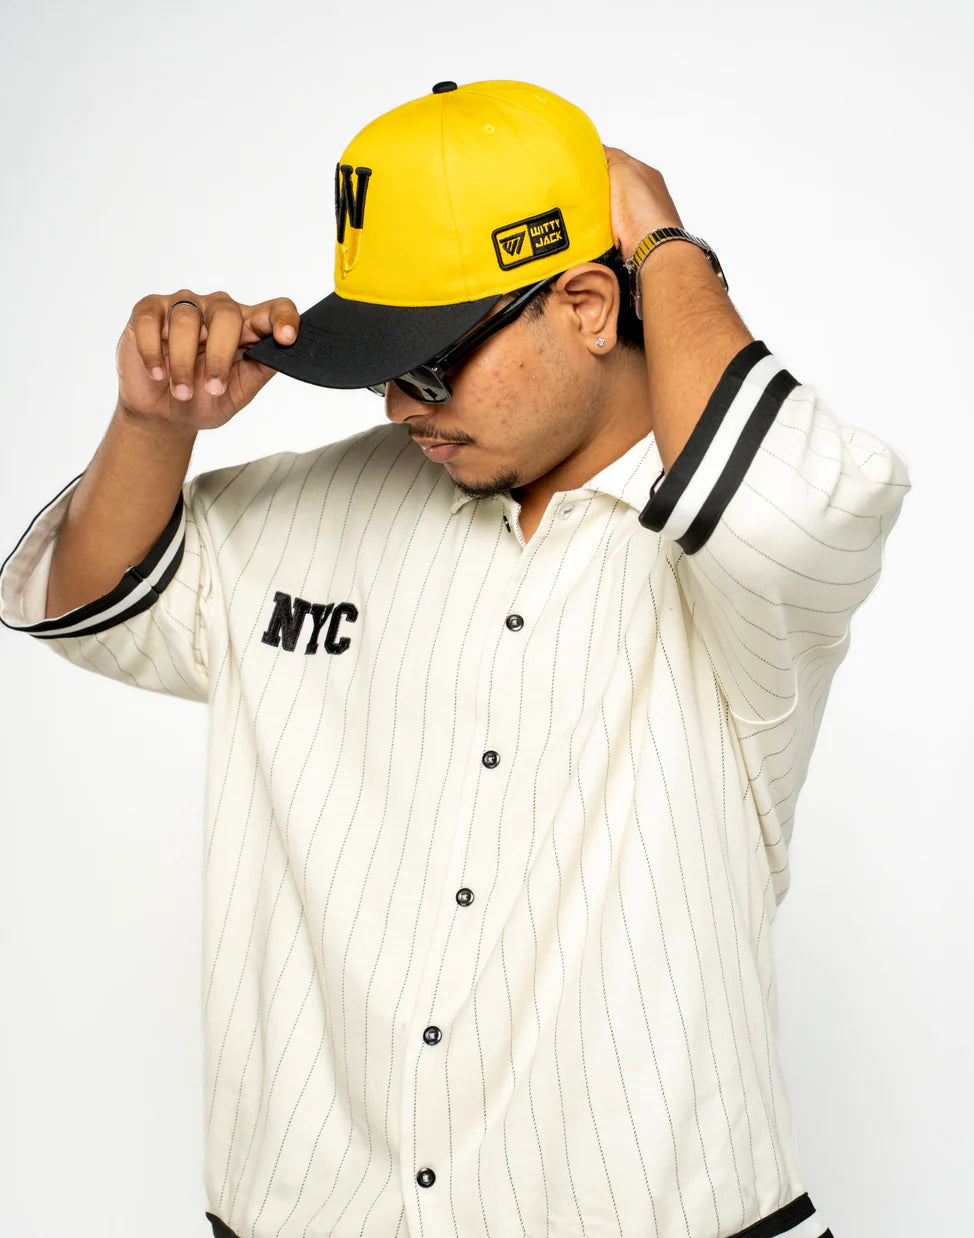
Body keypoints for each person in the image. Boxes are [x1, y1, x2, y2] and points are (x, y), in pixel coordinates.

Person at [0, 79, 908, 1238]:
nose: (396, 404)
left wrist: (664, 244)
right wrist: (153, 424)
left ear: (587, 305)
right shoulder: (306, 505)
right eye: (375, 360)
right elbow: (89, 605)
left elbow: (795, 507)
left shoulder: (744, 557)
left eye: (429, 362)